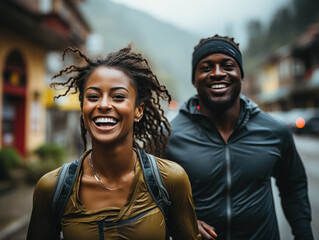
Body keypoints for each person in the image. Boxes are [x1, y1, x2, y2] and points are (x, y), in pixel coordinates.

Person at [27, 46, 201, 240]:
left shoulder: (170, 181)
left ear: (138, 111)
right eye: (93, 96)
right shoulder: (53, 188)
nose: (103, 105)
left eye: (118, 96)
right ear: (83, 107)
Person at [167, 35, 314, 240]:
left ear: (240, 74)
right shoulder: (169, 135)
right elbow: (152, 198)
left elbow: (293, 189)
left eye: (227, 65)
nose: (217, 73)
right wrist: (180, 222)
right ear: (194, 78)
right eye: (206, 67)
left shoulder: (275, 131)